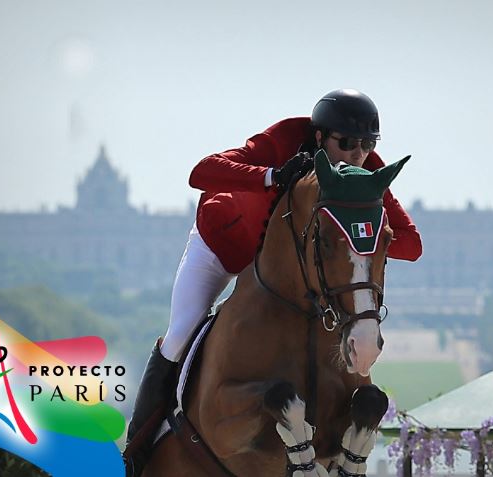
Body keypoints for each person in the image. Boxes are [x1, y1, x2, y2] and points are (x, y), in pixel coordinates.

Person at [122, 89, 423, 475]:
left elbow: (411, 244)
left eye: (367, 145)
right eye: (346, 143)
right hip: (224, 245)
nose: (356, 155)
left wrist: (363, 232)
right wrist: (272, 175)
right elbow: (201, 172)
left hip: (290, 269)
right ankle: (140, 446)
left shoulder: (364, 177)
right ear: (319, 138)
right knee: (180, 333)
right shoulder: (282, 140)